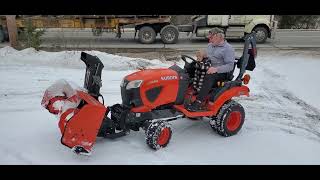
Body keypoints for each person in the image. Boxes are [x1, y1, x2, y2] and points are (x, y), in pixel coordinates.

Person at [187, 27, 236, 112]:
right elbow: (208, 57)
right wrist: (202, 56)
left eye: (211, 38)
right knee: (189, 67)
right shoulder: (210, 45)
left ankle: (199, 102)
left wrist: (216, 69)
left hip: (221, 72)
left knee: (209, 76)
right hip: (208, 67)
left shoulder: (228, 49)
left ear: (219, 37)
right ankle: (187, 91)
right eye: (209, 38)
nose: (209, 40)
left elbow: (230, 66)